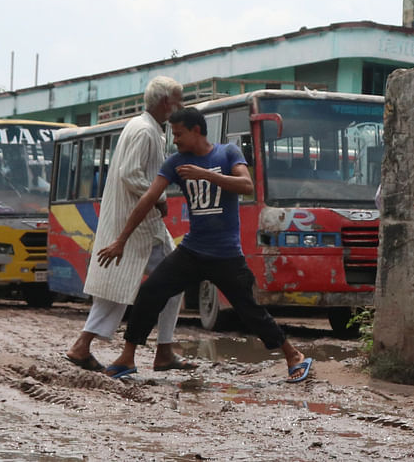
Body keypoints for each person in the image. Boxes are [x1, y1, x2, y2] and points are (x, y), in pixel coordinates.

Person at [97, 107, 313, 383]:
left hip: (226, 255)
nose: (175, 140)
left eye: (179, 134)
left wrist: (206, 175)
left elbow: (246, 185)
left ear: (196, 131)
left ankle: (293, 355)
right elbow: (148, 198)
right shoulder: (175, 163)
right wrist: (120, 240)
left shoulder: (228, 153)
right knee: (150, 292)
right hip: (191, 251)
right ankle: (127, 357)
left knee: (249, 310)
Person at [65, 76, 197, 373]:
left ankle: (85, 346)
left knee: (121, 287)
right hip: (139, 225)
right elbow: (130, 174)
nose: (182, 106)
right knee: (155, 282)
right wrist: (159, 196)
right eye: (179, 100)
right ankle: (159, 351)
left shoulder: (145, 128)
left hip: (139, 224)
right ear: (166, 103)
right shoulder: (145, 132)